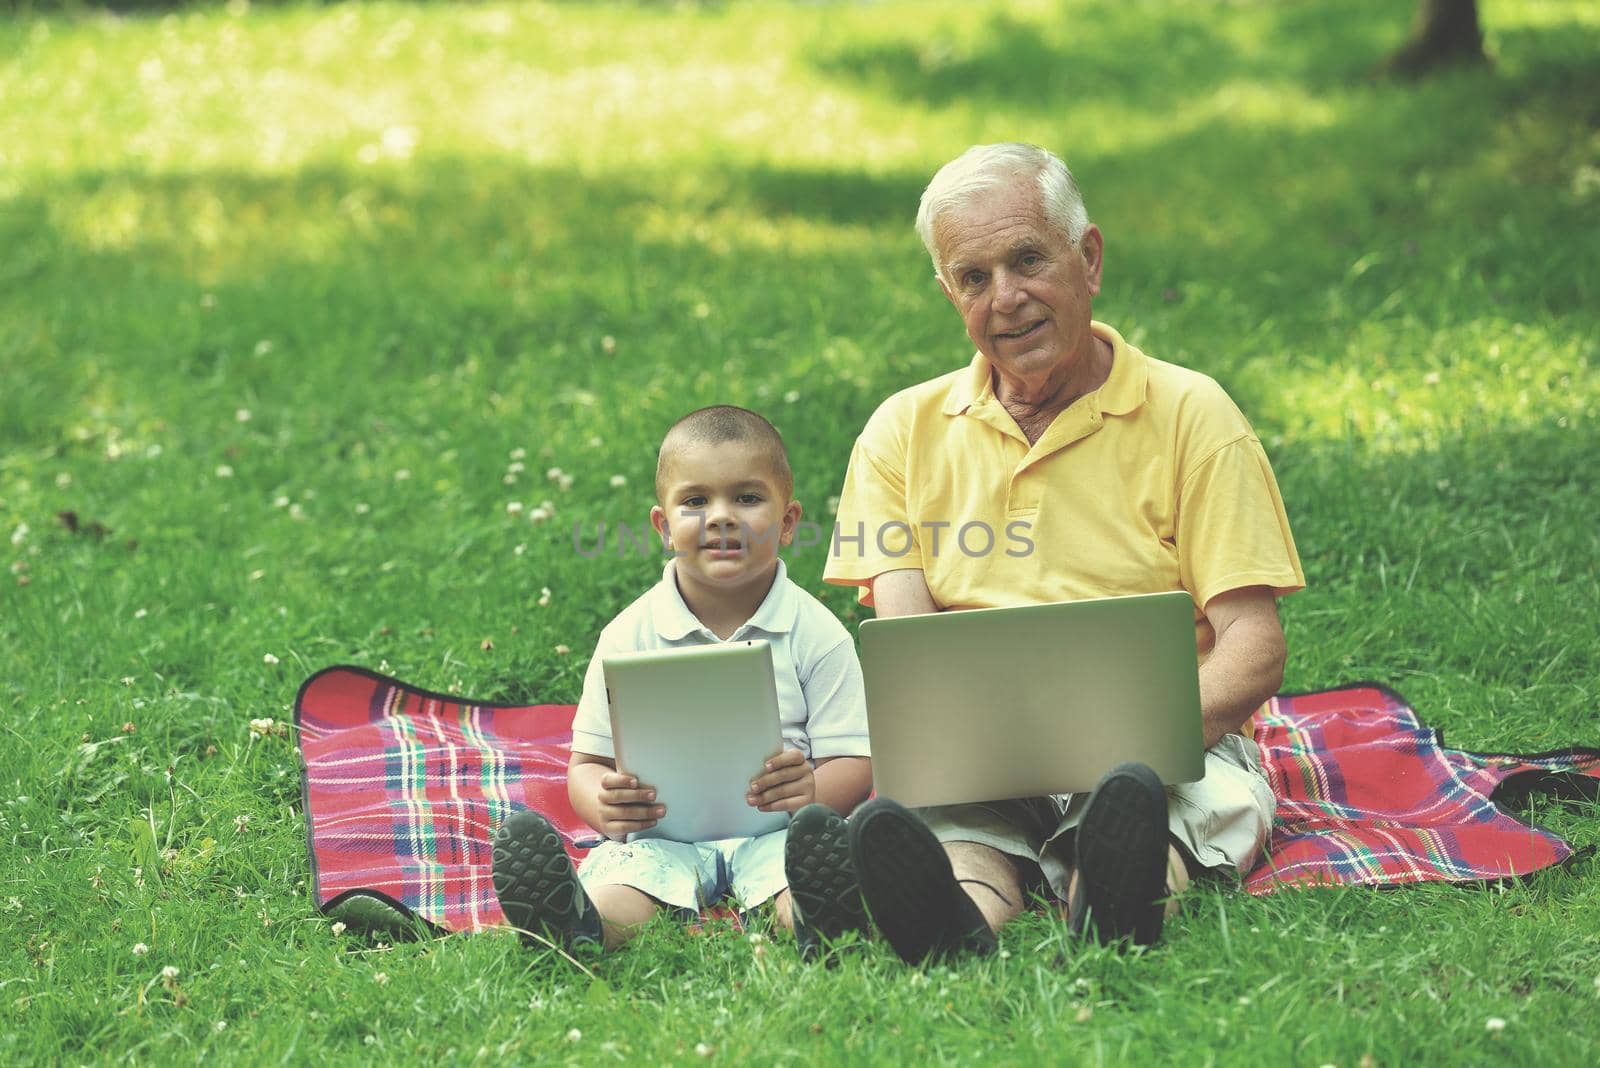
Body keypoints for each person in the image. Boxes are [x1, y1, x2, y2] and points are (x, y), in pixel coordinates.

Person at [788, 143, 1305, 963]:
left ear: (1088, 258)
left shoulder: (1193, 414)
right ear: (948, 293)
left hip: (1165, 744)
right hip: (984, 752)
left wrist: (1139, 742)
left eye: (1028, 259)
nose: (1007, 299)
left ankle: (1112, 897)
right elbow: (907, 642)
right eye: (973, 277)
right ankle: (957, 925)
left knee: (1148, 812)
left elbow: (1254, 645)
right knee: (954, 833)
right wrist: (951, 752)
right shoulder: (899, 431)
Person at [490, 406, 873, 955]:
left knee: (801, 878)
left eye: (747, 498)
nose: (721, 517)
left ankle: (826, 919)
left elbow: (856, 763)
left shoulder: (818, 633)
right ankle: (574, 924)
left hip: (781, 831)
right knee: (626, 886)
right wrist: (603, 805)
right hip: (659, 832)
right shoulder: (628, 635)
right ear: (664, 527)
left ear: (788, 523)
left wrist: (812, 791)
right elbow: (586, 766)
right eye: (696, 501)